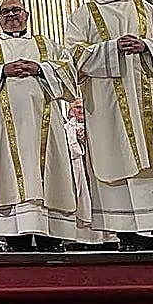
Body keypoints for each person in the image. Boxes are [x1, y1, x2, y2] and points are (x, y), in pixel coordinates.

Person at [64, 0, 153, 252]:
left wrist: (146, 46)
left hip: (149, 103)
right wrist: (110, 48)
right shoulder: (83, 15)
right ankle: (125, 234)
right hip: (108, 108)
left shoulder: (145, 10)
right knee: (115, 158)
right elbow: (73, 57)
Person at [0, 0, 79, 251]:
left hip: (44, 124)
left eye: (16, 10)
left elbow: (69, 74)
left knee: (47, 171)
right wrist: (1, 71)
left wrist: (39, 68)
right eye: (5, 12)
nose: (11, 15)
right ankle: (13, 235)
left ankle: (49, 235)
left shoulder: (46, 46)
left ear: (26, 15)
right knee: (7, 172)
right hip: (2, 128)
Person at [62, 99, 102, 245]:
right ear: (70, 110)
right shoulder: (65, 129)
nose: (80, 110)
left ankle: (102, 238)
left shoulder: (97, 126)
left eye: (83, 107)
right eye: (77, 107)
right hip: (76, 168)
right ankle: (79, 238)